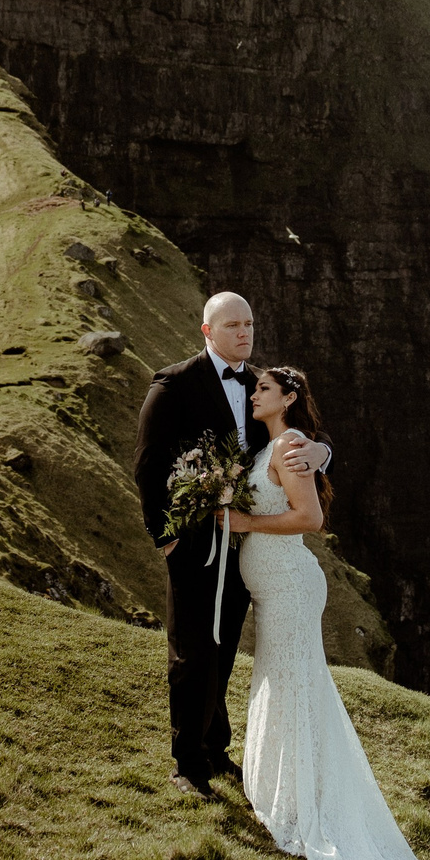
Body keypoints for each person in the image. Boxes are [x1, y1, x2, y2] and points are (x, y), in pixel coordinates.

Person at [223, 364, 430, 860]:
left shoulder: (291, 444)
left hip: (289, 585)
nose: (254, 394)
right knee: (282, 682)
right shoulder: (276, 445)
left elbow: (311, 516)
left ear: (289, 397)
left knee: (295, 684)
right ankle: (283, 789)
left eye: (263, 389)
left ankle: (303, 804)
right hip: (273, 586)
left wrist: (241, 520)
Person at [134, 291, 328, 797]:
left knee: (222, 652)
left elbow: (297, 432)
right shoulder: (173, 385)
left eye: (249, 324)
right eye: (233, 325)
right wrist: (167, 540)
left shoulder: (260, 383)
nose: (244, 333)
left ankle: (215, 751)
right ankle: (187, 765)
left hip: (248, 549)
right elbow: (149, 468)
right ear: (208, 331)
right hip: (194, 545)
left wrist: (322, 451)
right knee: (192, 651)